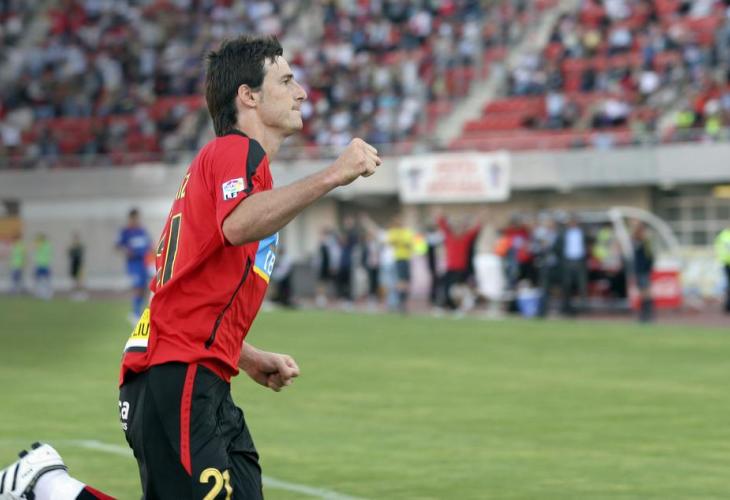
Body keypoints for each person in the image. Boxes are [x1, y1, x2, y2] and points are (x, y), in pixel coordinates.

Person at [1, 34, 381, 500]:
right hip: (176, 371)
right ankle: (47, 486)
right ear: (248, 96)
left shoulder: (240, 171)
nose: (301, 92)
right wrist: (334, 174)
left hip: (197, 372)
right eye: (286, 81)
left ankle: (49, 487)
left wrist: (243, 353)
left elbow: (191, 291)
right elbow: (238, 224)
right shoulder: (234, 152)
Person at [436, 212, 482, 311]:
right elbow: (442, 225)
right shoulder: (449, 237)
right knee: (446, 288)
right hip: (450, 268)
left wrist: (480, 218)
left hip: (460, 268)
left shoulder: (465, 239)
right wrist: (439, 213)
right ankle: (447, 305)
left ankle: (459, 306)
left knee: (457, 289)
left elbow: (476, 230)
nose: (458, 231)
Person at [116, 208, 152, 324]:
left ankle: (138, 312)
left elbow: (149, 245)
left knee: (144, 288)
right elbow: (118, 246)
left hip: (143, 263)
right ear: (130, 218)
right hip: (133, 264)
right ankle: (134, 314)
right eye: (135, 218)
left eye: (138, 218)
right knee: (137, 287)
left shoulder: (142, 231)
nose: (136, 220)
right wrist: (126, 251)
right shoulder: (125, 231)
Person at [557, 214, 588, 315]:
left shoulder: (582, 232)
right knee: (567, 285)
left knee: (582, 285)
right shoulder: (563, 233)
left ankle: (583, 308)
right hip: (567, 261)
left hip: (580, 261)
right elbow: (558, 247)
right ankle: (566, 307)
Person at [633, 223, 654, 322]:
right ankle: (645, 315)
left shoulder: (645, 243)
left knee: (645, 293)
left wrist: (647, 268)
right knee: (643, 293)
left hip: (643, 271)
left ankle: (647, 315)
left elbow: (650, 257)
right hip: (640, 270)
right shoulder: (637, 242)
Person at [33, 233, 53, 300]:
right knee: (39, 280)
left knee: (45, 281)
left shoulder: (44, 245)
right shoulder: (46, 245)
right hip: (40, 265)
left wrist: (37, 241)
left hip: (44, 265)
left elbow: (36, 246)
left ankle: (46, 294)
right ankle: (40, 293)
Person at [68, 232, 87, 300]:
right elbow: (70, 255)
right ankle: (74, 294)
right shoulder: (72, 247)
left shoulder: (80, 247)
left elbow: (81, 256)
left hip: (79, 265)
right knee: (74, 280)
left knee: (80, 281)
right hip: (74, 265)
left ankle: (81, 293)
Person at [715, 225, 730, 314]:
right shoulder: (723, 236)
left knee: (727, 284)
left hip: (725, 262)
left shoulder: (722, 236)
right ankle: (727, 305)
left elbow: (717, 247)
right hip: (726, 263)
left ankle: (727, 305)